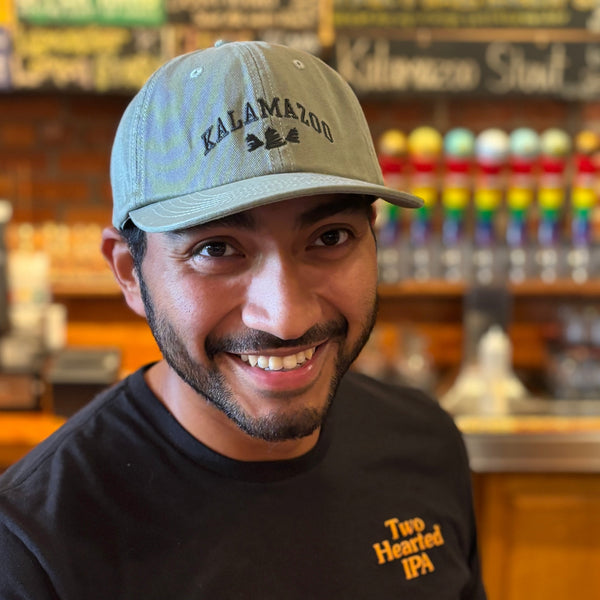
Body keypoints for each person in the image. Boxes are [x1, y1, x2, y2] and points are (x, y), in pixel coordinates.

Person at [0, 41, 486, 598]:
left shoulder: (425, 442)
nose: (284, 317)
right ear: (129, 274)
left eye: (329, 238)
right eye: (215, 249)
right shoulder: (33, 544)